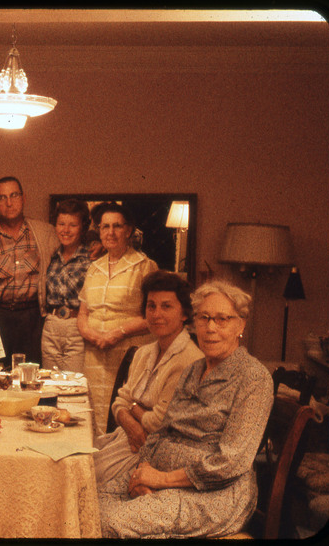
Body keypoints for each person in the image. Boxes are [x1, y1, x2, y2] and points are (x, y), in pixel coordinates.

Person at [98, 280, 273, 538]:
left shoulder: (253, 379)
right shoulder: (193, 369)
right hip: (159, 476)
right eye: (204, 318)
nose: (210, 328)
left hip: (214, 495)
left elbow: (230, 462)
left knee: (109, 521)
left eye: (222, 319)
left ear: (241, 325)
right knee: (84, 499)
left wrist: (161, 481)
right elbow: (161, 432)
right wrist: (142, 474)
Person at [93, 271, 204, 486]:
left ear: (184, 313)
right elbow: (119, 402)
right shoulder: (143, 353)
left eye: (166, 306)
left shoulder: (190, 361)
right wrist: (132, 422)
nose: (156, 314)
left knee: (87, 478)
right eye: (151, 306)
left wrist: (131, 407)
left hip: (152, 453)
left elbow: (159, 423)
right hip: (128, 438)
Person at [77, 201, 158, 433]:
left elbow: (152, 317)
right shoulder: (94, 268)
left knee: (121, 415)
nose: (110, 232)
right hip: (95, 356)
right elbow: (83, 313)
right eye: (105, 227)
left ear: (129, 230)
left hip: (127, 354)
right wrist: (92, 335)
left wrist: (116, 333)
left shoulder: (144, 266)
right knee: (93, 417)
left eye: (117, 226)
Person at [0, 176, 58, 367]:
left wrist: (96, 245)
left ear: (23, 198)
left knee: (31, 378)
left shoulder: (45, 233)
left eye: (14, 195)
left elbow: (68, 254)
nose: (9, 203)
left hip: (32, 318)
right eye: (2, 198)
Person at [40, 198, 93, 373]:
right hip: (51, 324)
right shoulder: (51, 255)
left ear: (83, 227)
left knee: (73, 383)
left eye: (73, 225)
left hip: (77, 325)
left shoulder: (91, 258)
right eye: (61, 224)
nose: (66, 230)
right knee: (50, 384)